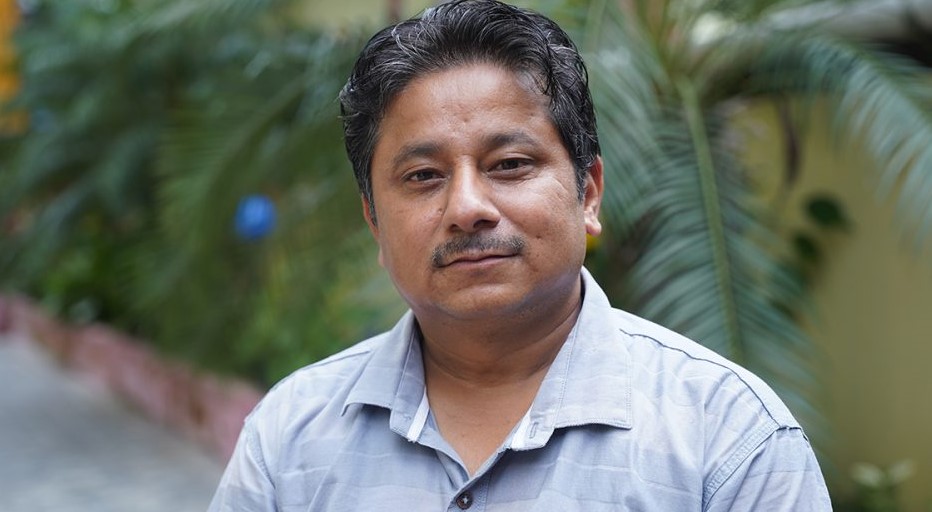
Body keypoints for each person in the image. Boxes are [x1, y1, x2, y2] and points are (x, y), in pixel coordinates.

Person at [208, 1, 832, 510]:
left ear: (588, 193)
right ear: (374, 219)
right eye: (423, 176)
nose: (467, 207)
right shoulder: (288, 438)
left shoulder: (730, 443)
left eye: (509, 164)